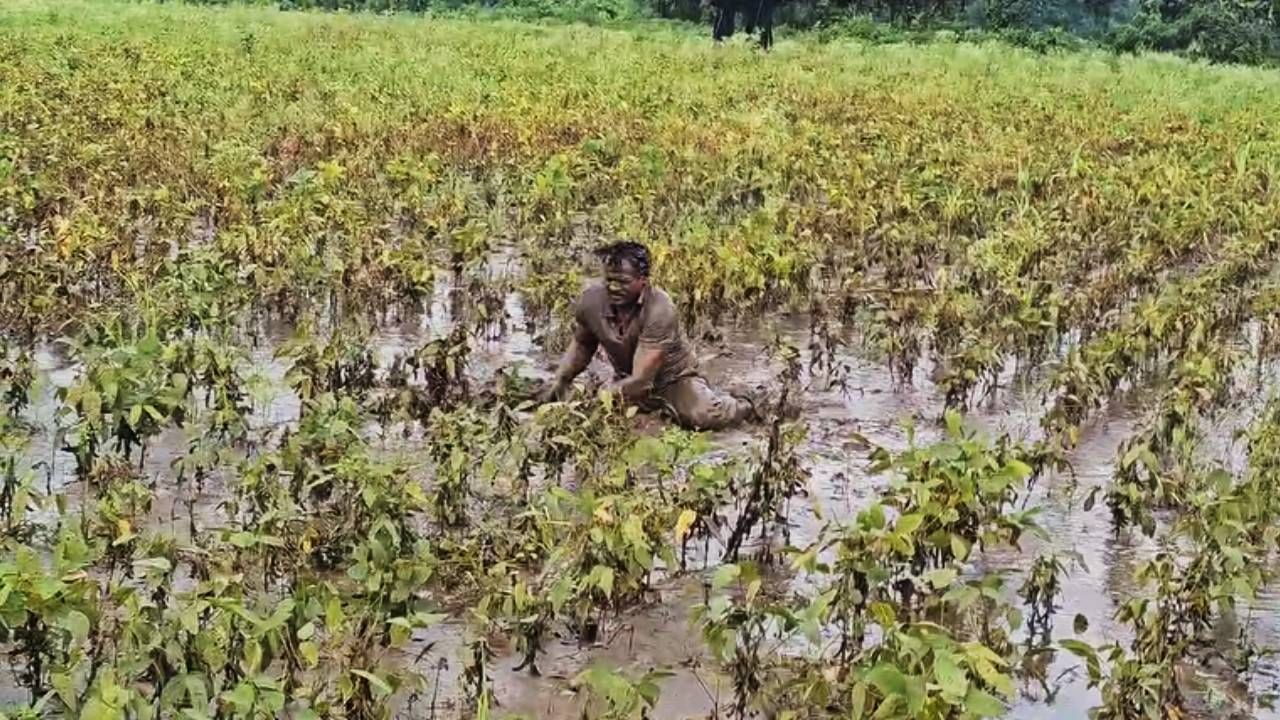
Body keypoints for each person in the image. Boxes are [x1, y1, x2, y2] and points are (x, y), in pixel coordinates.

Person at [537, 241, 759, 431]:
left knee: (702, 417)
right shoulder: (591, 302)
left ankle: (743, 403)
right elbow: (583, 344)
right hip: (627, 378)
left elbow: (643, 382)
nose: (614, 287)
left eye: (623, 281)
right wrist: (562, 379)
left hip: (672, 381)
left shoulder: (659, 309)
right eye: (609, 280)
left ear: (643, 280)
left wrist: (600, 399)